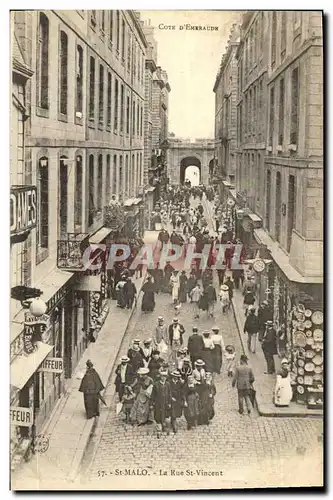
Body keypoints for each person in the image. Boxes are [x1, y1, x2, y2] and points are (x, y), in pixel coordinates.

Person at [150, 370, 172, 438]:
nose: (163, 378)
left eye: (165, 376)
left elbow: (169, 394)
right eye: (162, 376)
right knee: (158, 417)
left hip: (165, 403)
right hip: (158, 404)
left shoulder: (167, 384)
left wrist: (169, 403)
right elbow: (153, 395)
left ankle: (166, 429)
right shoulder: (156, 384)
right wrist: (151, 404)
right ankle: (159, 431)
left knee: (166, 417)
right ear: (160, 377)